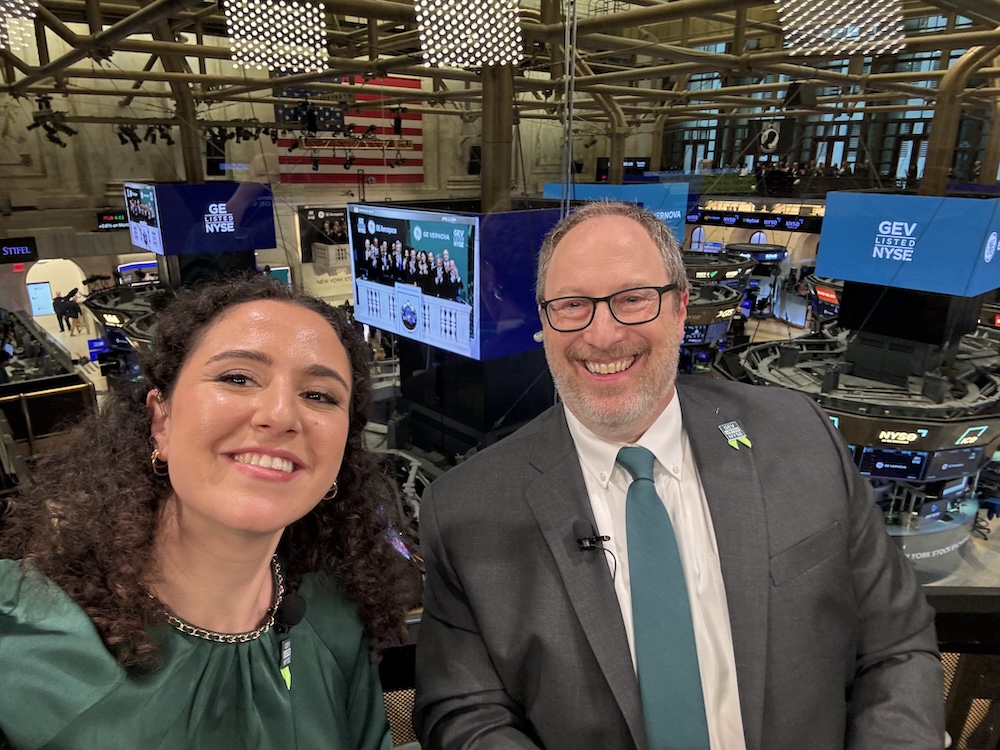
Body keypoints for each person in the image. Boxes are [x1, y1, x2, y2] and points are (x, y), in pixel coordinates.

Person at [414, 201, 944, 750]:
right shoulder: (465, 511)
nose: (603, 334)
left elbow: (896, 645)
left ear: (680, 307)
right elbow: (466, 715)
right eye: (572, 305)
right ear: (545, 323)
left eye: (633, 299)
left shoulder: (801, 437)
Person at [0, 275, 415, 749]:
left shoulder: (335, 619)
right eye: (237, 378)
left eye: (320, 395)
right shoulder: (16, 631)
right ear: (162, 420)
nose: (280, 415)